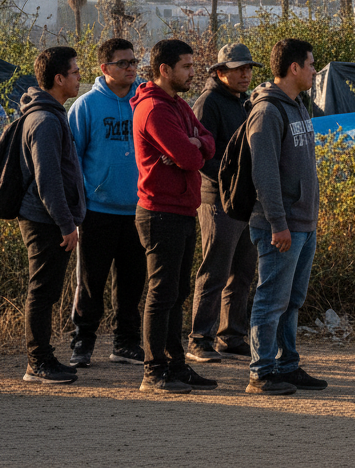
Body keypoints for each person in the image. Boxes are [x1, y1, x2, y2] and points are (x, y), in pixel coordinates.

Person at [132, 38, 216, 395]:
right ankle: (154, 371)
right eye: (186, 66)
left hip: (181, 210)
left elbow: (208, 143)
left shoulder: (178, 105)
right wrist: (191, 145)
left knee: (178, 290)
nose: (192, 72)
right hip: (159, 212)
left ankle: (176, 365)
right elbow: (192, 158)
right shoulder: (154, 109)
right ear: (164, 70)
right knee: (162, 292)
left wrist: (195, 142)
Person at [246, 38, 324, 395]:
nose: (313, 70)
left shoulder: (298, 107)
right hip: (280, 225)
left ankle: (286, 364)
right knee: (271, 299)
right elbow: (264, 175)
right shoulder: (267, 112)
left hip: (303, 224)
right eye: (310, 64)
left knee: (292, 299)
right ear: (294, 68)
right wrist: (278, 223)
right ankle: (261, 373)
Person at [67, 38, 145, 369]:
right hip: (97, 212)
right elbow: (71, 159)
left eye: (133, 62)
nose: (130, 68)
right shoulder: (86, 107)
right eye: (123, 63)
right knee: (90, 282)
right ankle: (82, 343)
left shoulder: (145, 100)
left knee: (132, 283)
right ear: (105, 68)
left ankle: (126, 344)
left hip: (139, 210)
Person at [187, 42, 263, 363]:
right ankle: (199, 340)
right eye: (238, 69)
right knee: (215, 270)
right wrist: (235, 179)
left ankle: (230, 336)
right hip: (216, 199)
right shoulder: (208, 103)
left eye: (248, 69)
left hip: (244, 200)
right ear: (220, 73)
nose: (245, 74)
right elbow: (203, 157)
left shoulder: (244, 103)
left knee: (243, 272)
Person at [17, 47, 86, 384]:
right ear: (58, 78)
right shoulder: (44, 119)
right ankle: (38, 362)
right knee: (42, 290)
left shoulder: (51, 113)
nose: (78, 77)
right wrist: (66, 223)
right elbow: (49, 179)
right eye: (74, 72)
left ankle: (42, 357)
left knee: (46, 289)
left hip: (50, 218)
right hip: (44, 220)